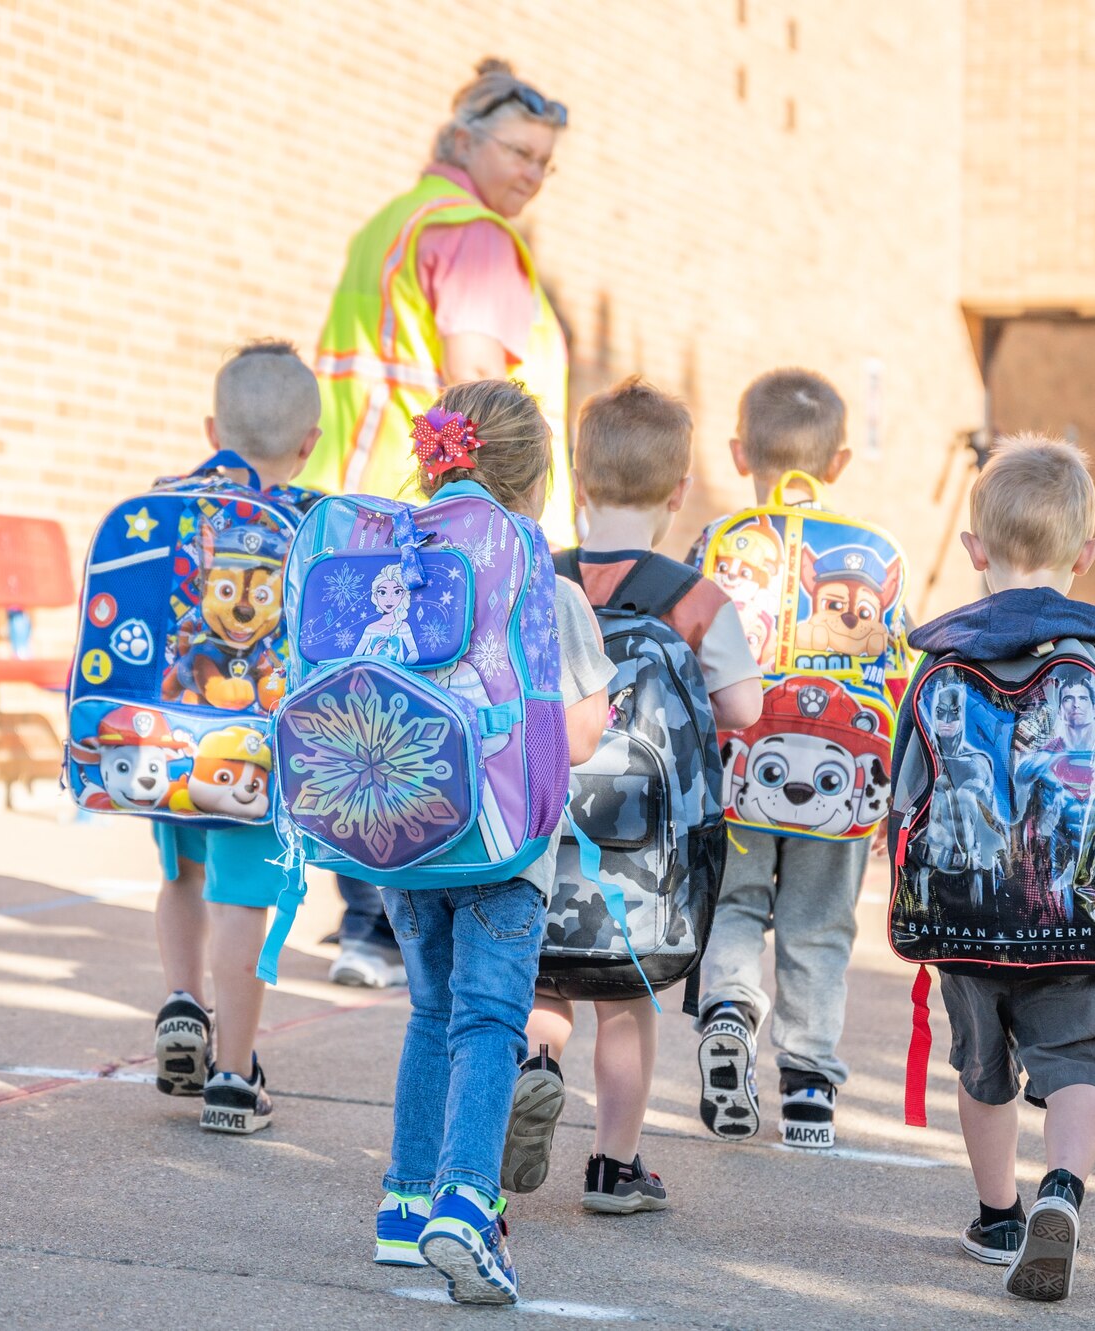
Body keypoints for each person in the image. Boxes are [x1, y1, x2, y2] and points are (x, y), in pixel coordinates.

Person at [313, 58, 574, 977]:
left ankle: (364, 912)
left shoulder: (391, 223)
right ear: (464, 138)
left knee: (364, 700)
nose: (534, 174)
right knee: (453, 702)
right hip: (441, 519)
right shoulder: (474, 238)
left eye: (547, 161)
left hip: (351, 509)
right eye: (520, 151)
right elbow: (478, 384)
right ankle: (405, 921)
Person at [369, 379, 614, 1306]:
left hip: (397, 829)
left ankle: (402, 1207)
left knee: (430, 1012)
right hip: (504, 843)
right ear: (536, 483)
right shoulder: (546, 588)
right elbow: (583, 736)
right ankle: (468, 1204)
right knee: (488, 1020)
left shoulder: (388, 564)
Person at [498, 378, 764, 1214]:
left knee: (546, 986)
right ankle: (616, 1166)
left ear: (577, 482)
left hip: (537, 834)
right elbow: (743, 709)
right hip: (641, 865)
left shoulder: (537, 577)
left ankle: (537, 1067)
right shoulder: (693, 597)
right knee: (625, 1003)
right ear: (680, 492)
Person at [914, 431, 1095, 1302]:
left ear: (975, 552)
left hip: (963, 916)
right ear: (1085, 556)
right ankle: (1064, 1189)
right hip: (1071, 912)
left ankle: (999, 1216)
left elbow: (908, 799)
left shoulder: (941, 661)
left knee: (982, 1068)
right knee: (1078, 1060)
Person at [690, 369, 873, 1149]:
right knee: (819, 921)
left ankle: (729, 1004)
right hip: (839, 772)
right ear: (840, 462)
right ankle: (807, 1085)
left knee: (735, 904)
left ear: (739, 453)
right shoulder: (865, 559)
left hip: (742, 766)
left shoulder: (718, 546)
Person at [151, 339, 323, 1135]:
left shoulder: (164, 503)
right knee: (242, 902)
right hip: (258, 755)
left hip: (166, 740)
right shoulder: (315, 523)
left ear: (212, 425)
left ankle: (183, 1000)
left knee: (184, 876)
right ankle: (233, 1074)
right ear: (309, 442)